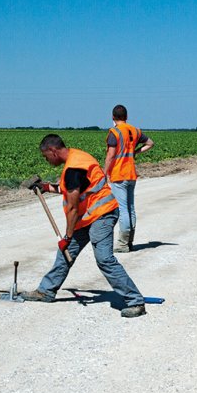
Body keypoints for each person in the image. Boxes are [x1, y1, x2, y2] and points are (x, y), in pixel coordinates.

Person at [24, 134, 147, 318]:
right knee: (66, 254)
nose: (46, 160)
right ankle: (46, 291)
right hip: (89, 216)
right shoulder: (76, 158)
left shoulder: (74, 168)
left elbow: (73, 208)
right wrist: (47, 187)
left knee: (104, 259)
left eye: (46, 156)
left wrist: (66, 237)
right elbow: (74, 188)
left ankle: (135, 301)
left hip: (102, 214)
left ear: (53, 151)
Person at [103, 104, 154, 253]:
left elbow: (111, 155)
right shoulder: (135, 131)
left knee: (123, 209)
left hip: (119, 174)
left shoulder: (114, 132)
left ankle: (123, 244)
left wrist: (104, 173)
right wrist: (135, 152)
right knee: (131, 208)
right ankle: (129, 241)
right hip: (131, 173)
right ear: (126, 117)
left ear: (113, 117)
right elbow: (150, 143)